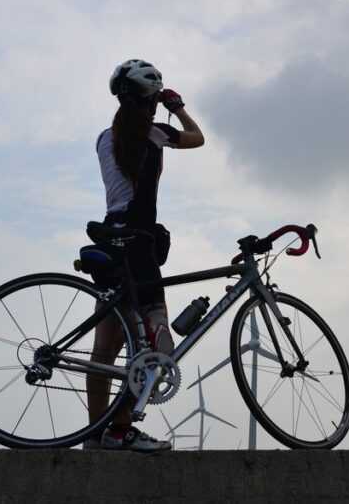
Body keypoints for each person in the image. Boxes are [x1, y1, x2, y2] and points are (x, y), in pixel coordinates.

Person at [84, 59, 204, 451]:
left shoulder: (104, 137)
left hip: (109, 240)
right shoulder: (155, 134)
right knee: (153, 344)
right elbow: (197, 137)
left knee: (106, 350)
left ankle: (95, 434)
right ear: (151, 98)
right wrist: (178, 105)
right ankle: (120, 430)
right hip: (138, 246)